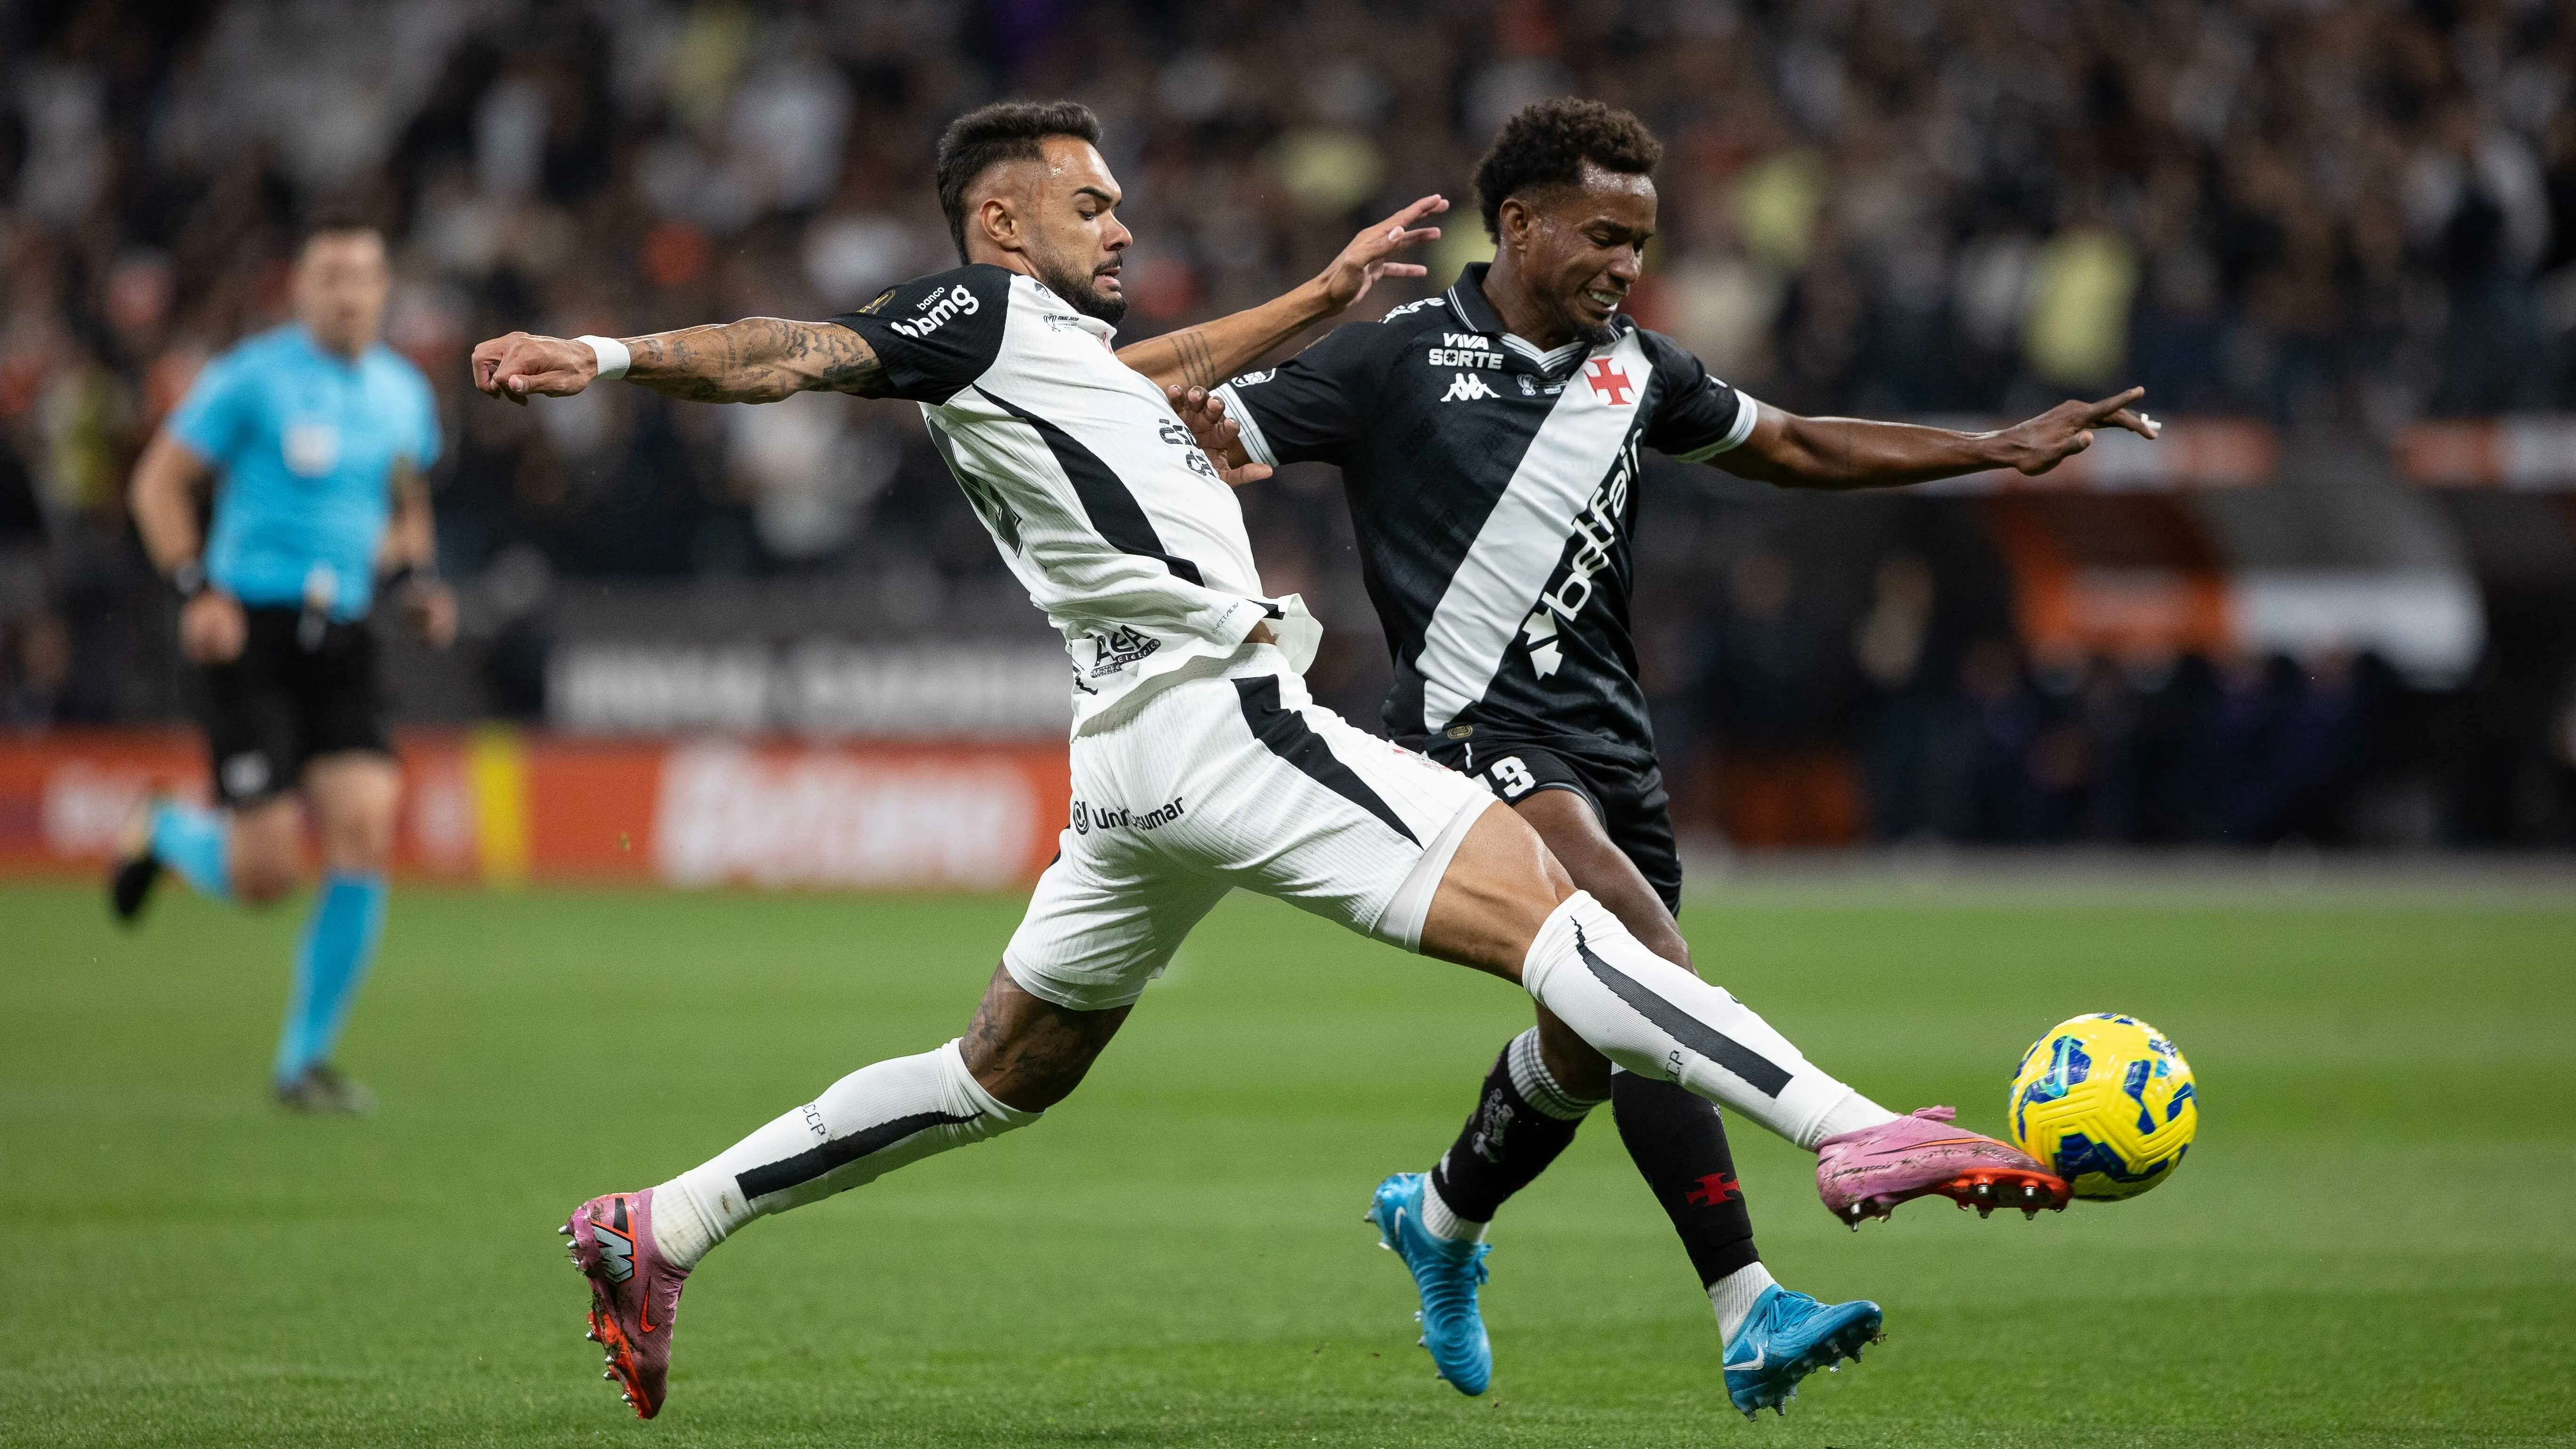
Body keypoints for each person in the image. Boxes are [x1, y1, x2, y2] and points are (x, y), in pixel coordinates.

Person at [471, 100, 2060, 1424]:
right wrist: (611, 357)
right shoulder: (972, 314)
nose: (1121, 227)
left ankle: (666, 1216)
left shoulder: (1062, 355)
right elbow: (798, 350)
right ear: (1003, 224)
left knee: (994, 1073)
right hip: (1221, 712)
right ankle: (1847, 1127)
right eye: (1090, 205)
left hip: (1129, 763)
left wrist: (1317, 295)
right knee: (1571, 928)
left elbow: (1162, 370)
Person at [1176, 97, 2158, 1410]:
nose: (1625, 265)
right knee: (1649, 972)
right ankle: (1751, 1304)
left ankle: (1445, 1216)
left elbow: (1799, 443)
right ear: (1516, 224)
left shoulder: (1641, 372)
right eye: (1602, 235)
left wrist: (1991, 448)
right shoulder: (1389, 360)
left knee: (1599, 1040)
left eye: (1640, 240)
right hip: (1476, 739)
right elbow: (1195, 443)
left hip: (1610, 747)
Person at [113, 218, 455, 1114]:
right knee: (266, 875)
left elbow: (405, 502)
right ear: (299, 289)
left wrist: (416, 580)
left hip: (341, 631)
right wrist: (197, 590)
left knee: (368, 827)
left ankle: (302, 1063)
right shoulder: (250, 378)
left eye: (363, 277)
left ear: (384, 291)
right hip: (248, 633)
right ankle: (164, 830)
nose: (347, 292)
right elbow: (157, 483)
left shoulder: (402, 395)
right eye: (330, 276)